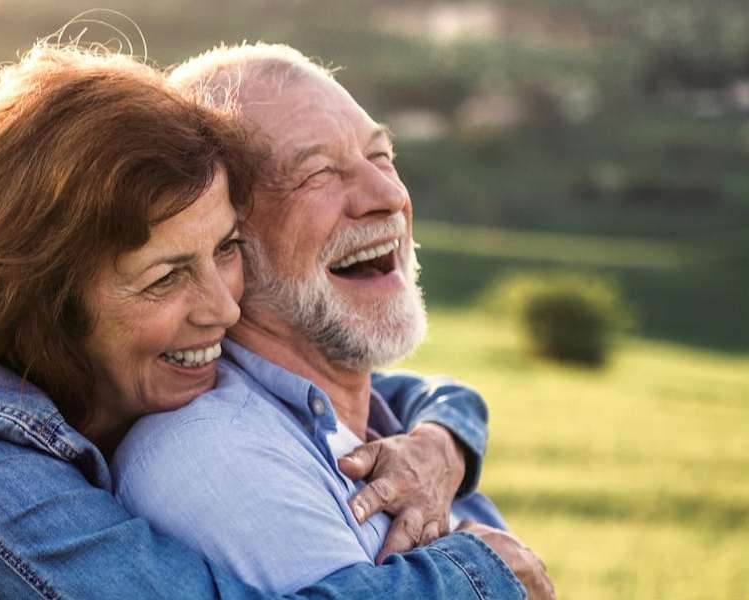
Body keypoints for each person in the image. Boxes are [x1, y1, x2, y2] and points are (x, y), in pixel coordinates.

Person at [0, 41, 542, 599]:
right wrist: (475, 574)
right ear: (48, 304)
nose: (223, 307)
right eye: (165, 278)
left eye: (223, 250)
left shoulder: (128, 383)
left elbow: (404, 392)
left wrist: (443, 442)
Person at [112, 43, 555, 598]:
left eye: (381, 157)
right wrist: (488, 576)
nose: (388, 196)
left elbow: (439, 396)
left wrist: (447, 437)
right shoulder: (213, 454)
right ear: (222, 234)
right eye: (317, 173)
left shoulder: (393, 426)